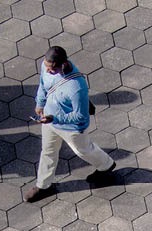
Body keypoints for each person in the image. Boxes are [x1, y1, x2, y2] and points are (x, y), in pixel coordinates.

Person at [24, 46, 116, 203]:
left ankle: (106, 165)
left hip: (71, 127)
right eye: (46, 67)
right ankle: (43, 185)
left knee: (83, 151)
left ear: (62, 64)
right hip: (49, 120)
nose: (48, 71)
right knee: (48, 151)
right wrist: (40, 103)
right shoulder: (46, 66)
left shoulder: (76, 86)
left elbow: (80, 115)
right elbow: (42, 84)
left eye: (52, 69)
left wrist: (55, 119)